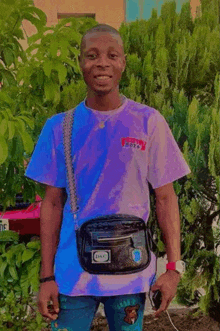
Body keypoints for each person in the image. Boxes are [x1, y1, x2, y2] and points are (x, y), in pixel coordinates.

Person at [25, 24, 191, 331]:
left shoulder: (148, 122)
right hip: (73, 276)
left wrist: (173, 269)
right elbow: (50, 204)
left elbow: (166, 198)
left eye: (112, 55)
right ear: (80, 62)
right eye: (92, 55)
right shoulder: (58, 128)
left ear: (124, 62)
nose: (102, 62)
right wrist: (46, 276)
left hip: (130, 273)